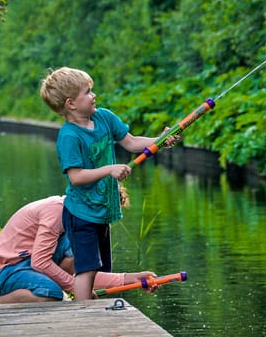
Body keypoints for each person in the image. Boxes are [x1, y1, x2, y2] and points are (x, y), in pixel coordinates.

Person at [39, 67, 180, 301]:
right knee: (86, 269)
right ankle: (85, 317)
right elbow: (76, 176)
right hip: (81, 213)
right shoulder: (69, 137)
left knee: (101, 267)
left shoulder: (103, 117)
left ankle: (95, 313)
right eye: (88, 92)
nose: (94, 95)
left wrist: (160, 141)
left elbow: (132, 142)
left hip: (101, 211)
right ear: (71, 103)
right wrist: (109, 170)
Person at [0, 195, 157, 305]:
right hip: (6, 270)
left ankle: (45, 291)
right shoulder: (55, 212)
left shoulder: (76, 220)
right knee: (51, 294)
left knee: (73, 262)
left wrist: (130, 278)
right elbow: (40, 261)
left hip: (32, 267)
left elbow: (82, 274)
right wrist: (73, 288)